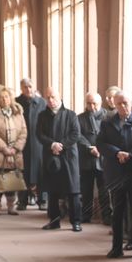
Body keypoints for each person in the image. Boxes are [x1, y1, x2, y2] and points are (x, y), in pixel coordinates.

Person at [99, 92, 132, 258]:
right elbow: (101, 143)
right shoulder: (107, 123)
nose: (122, 106)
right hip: (116, 173)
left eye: (125, 103)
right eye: (119, 103)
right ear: (114, 104)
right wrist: (116, 153)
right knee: (117, 212)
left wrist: (130, 156)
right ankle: (116, 247)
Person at [37, 88, 85, 231]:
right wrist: (52, 144)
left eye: (53, 97)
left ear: (60, 97)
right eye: (48, 97)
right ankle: (54, 221)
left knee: (73, 190)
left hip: (69, 156)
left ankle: (76, 222)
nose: (50, 100)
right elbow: (39, 134)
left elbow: (76, 134)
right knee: (53, 191)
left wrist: (61, 145)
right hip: (51, 155)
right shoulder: (42, 115)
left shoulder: (70, 114)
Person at [0, 84, 28, 215]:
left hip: (14, 152)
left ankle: (10, 205)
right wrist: (4, 148)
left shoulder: (17, 111)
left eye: (6, 96)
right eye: (1, 97)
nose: (4, 99)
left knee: (12, 178)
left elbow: (23, 131)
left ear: (10, 97)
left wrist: (15, 147)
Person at [77, 92, 109, 225]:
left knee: (104, 190)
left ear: (100, 103)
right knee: (86, 190)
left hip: (103, 158)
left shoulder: (108, 117)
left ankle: (107, 216)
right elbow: (78, 135)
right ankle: (86, 215)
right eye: (89, 103)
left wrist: (101, 148)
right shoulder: (80, 118)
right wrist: (89, 147)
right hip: (86, 158)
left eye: (94, 103)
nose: (92, 106)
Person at [16, 78, 47, 210]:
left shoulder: (42, 102)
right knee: (22, 172)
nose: (28, 89)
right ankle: (22, 201)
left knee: (41, 171)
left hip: (39, 142)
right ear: (21, 88)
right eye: (25, 87)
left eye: (30, 86)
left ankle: (42, 200)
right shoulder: (16, 102)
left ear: (34, 87)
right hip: (22, 142)